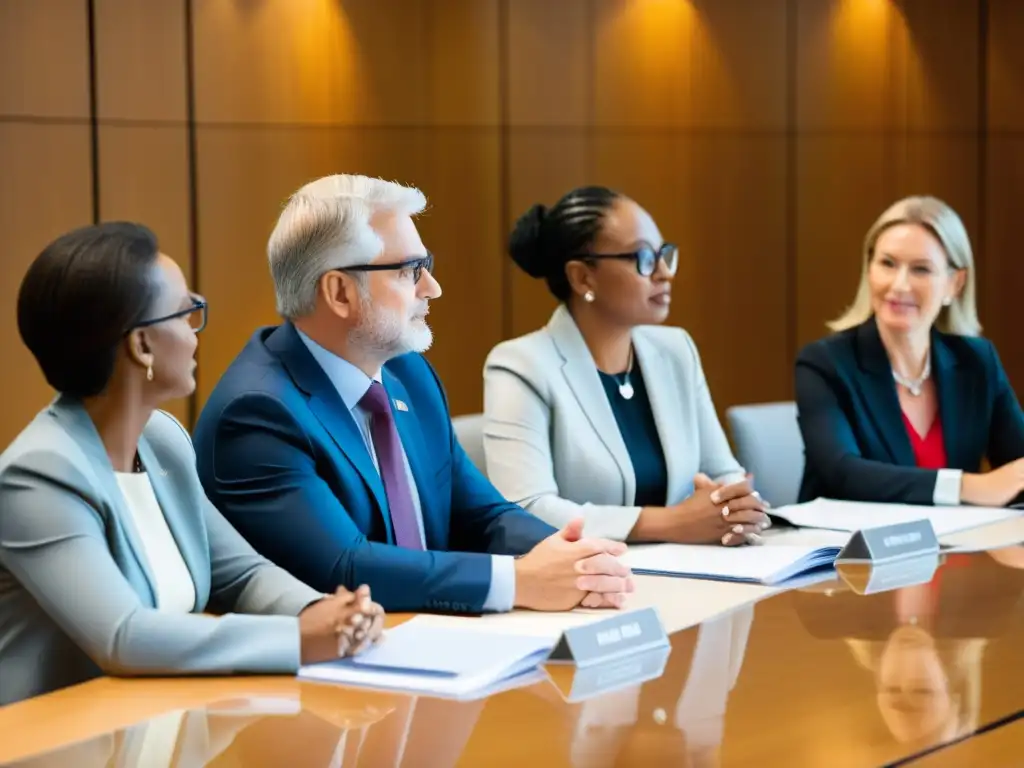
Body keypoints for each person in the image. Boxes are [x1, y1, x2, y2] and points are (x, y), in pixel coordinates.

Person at [192, 174, 634, 614]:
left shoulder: (407, 372)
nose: (431, 288)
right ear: (340, 292)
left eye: (427, 266)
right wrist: (517, 582)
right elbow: (343, 567)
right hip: (336, 664)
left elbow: (481, 515)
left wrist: (576, 557)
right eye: (409, 271)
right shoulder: (256, 413)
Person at [0, 222, 384, 706]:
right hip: (53, 741)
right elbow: (124, 637)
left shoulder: (162, 441)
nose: (195, 329)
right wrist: (301, 641)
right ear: (141, 346)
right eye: (187, 313)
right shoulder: (38, 477)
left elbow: (241, 574)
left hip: (153, 723)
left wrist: (327, 612)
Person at [482, 186, 769, 545]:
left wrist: (736, 508)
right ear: (583, 277)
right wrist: (670, 523)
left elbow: (723, 472)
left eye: (665, 255)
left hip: (693, 573)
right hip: (585, 582)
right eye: (644, 258)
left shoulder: (676, 350)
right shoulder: (520, 365)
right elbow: (526, 508)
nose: (664, 273)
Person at [795, 195, 1024, 506]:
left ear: (954, 285)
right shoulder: (825, 363)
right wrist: (966, 487)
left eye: (921, 269)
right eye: (887, 264)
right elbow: (843, 473)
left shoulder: (977, 361)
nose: (899, 285)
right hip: (849, 549)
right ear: (869, 269)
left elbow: (1018, 464)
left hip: (957, 549)